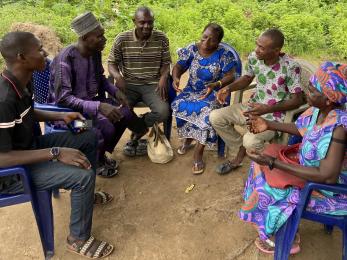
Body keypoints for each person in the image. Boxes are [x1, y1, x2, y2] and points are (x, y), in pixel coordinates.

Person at [0, 32, 114, 258]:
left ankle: (85, 197)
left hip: (29, 147)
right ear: (22, 57)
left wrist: (60, 117)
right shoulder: (3, 100)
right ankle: (78, 239)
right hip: (12, 174)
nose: (45, 53)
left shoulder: (23, 80)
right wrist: (55, 152)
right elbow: (2, 158)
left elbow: (28, 113)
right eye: (40, 49)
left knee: (88, 135)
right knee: (82, 177)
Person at [239, 61, 347, 254]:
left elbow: (327, 176)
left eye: (313, 90)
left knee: (269, 187)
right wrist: (268, 125)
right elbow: (300, 127)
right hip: (309, 170)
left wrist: (275, 163)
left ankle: (287, 239)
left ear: (330, 98)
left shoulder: (339, 127)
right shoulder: (318, 110)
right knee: (258, 166)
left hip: (329, 191)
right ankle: (281, 226)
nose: (308, 93)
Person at [48, 12, 148, 176]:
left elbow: (100, 79)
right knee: (101, 128)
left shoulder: (94, 53)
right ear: (85, 37)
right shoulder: (65, 59)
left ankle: (99, 155)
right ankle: (93, 163)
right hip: (66, 119)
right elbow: (63, 99)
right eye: (99, 36)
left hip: (88, 107)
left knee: (125, 113)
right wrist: (99, 106)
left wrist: (115, 92)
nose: (104, 39)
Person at [209, 28, 304, 175]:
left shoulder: (291, 67)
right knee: (215, 117)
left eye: (262, 47)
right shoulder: (255, 58)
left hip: (274, 115)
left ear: (276, 50)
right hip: (252, 107)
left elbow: (297, 100)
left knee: (251, 142)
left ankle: (270, 166)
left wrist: (266, 109)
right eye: (257, 44)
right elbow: (246, 79)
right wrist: (228, 88)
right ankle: (240, 149)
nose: (256, 50)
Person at [171, 23, 237, 174]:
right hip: (191, 90)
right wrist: (176, 77)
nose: (206, 42)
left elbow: (231, 75)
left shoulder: (224, 54)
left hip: (213, 92)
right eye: (205, 37)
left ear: (218, 42)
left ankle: (199, 151)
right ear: (201, 34)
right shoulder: (192, 50)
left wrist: (217, 84)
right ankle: (188, 138)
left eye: (212, 40)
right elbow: (179, 66)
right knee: (178, 103)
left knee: (206, 112)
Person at [108, 6, 171, 155]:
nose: (146, 26)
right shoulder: (122, 39)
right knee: (120, 111)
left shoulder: (161, 38)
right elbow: (111, 63)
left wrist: (163, 77)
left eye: (150, 22)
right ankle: (140, 130)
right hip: (129, 84)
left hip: (153, 84)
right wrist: (118, 77)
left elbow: (166, 63)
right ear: (134, 22)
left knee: (163, 111)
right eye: (142, 22)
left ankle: (139, 126)